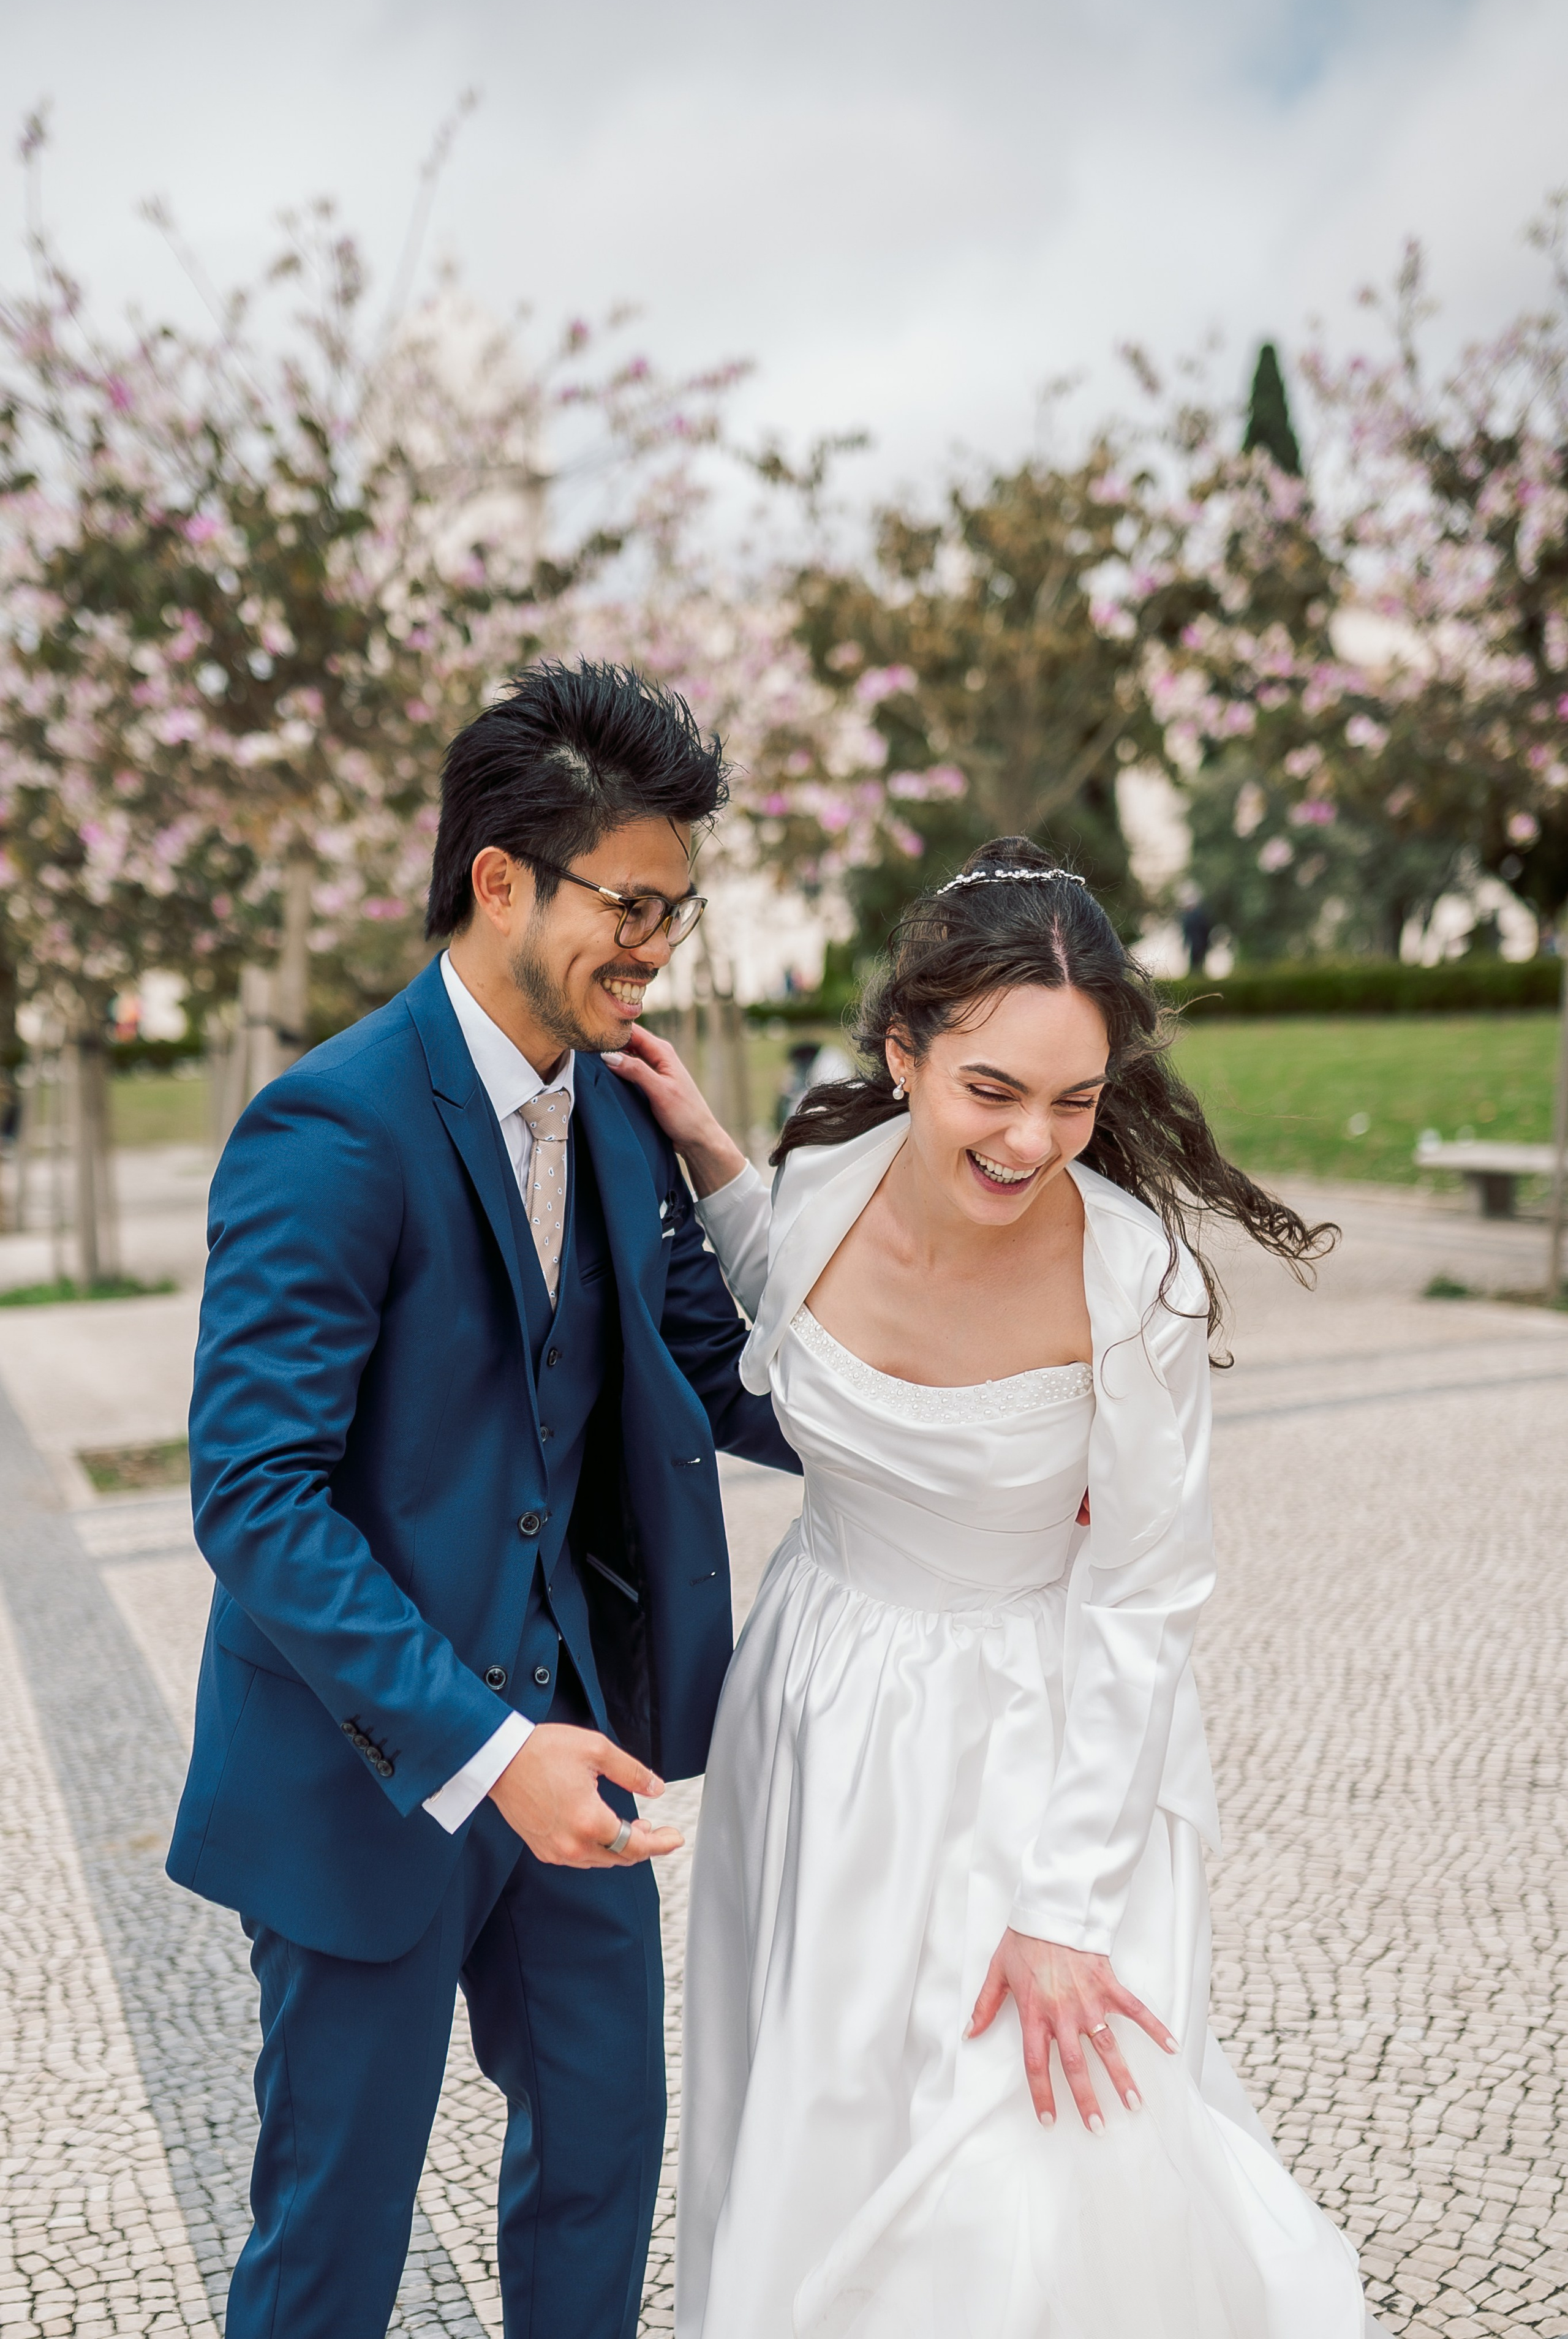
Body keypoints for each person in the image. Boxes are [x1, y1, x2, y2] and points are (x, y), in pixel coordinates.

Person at [608, 836, 1382, 2338]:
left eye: (1074, 1100)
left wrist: (1061, 1903)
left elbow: (1144, 1597)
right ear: (902, 1053)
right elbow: (780, 1285)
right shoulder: (819, 1183)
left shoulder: (1130, 1283)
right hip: (819, 1716)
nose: (1033, 1140)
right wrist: (709, 1153)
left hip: (1036, 1753)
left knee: (1016, 2174)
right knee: (818, 2121)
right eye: (992, 1088)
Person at [166, 661, 799, 2339]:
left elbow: (714, 1377)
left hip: (577, 1753)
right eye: (632, 903)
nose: (656, 944)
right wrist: (484, 1749)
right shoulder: (331, 1126)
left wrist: (978, 1444)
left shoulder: (614, 1109)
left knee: (604, 2160)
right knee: (333, 2241)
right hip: (373, 1782)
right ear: (501, 879)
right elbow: (253, 1493)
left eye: (680, 908)